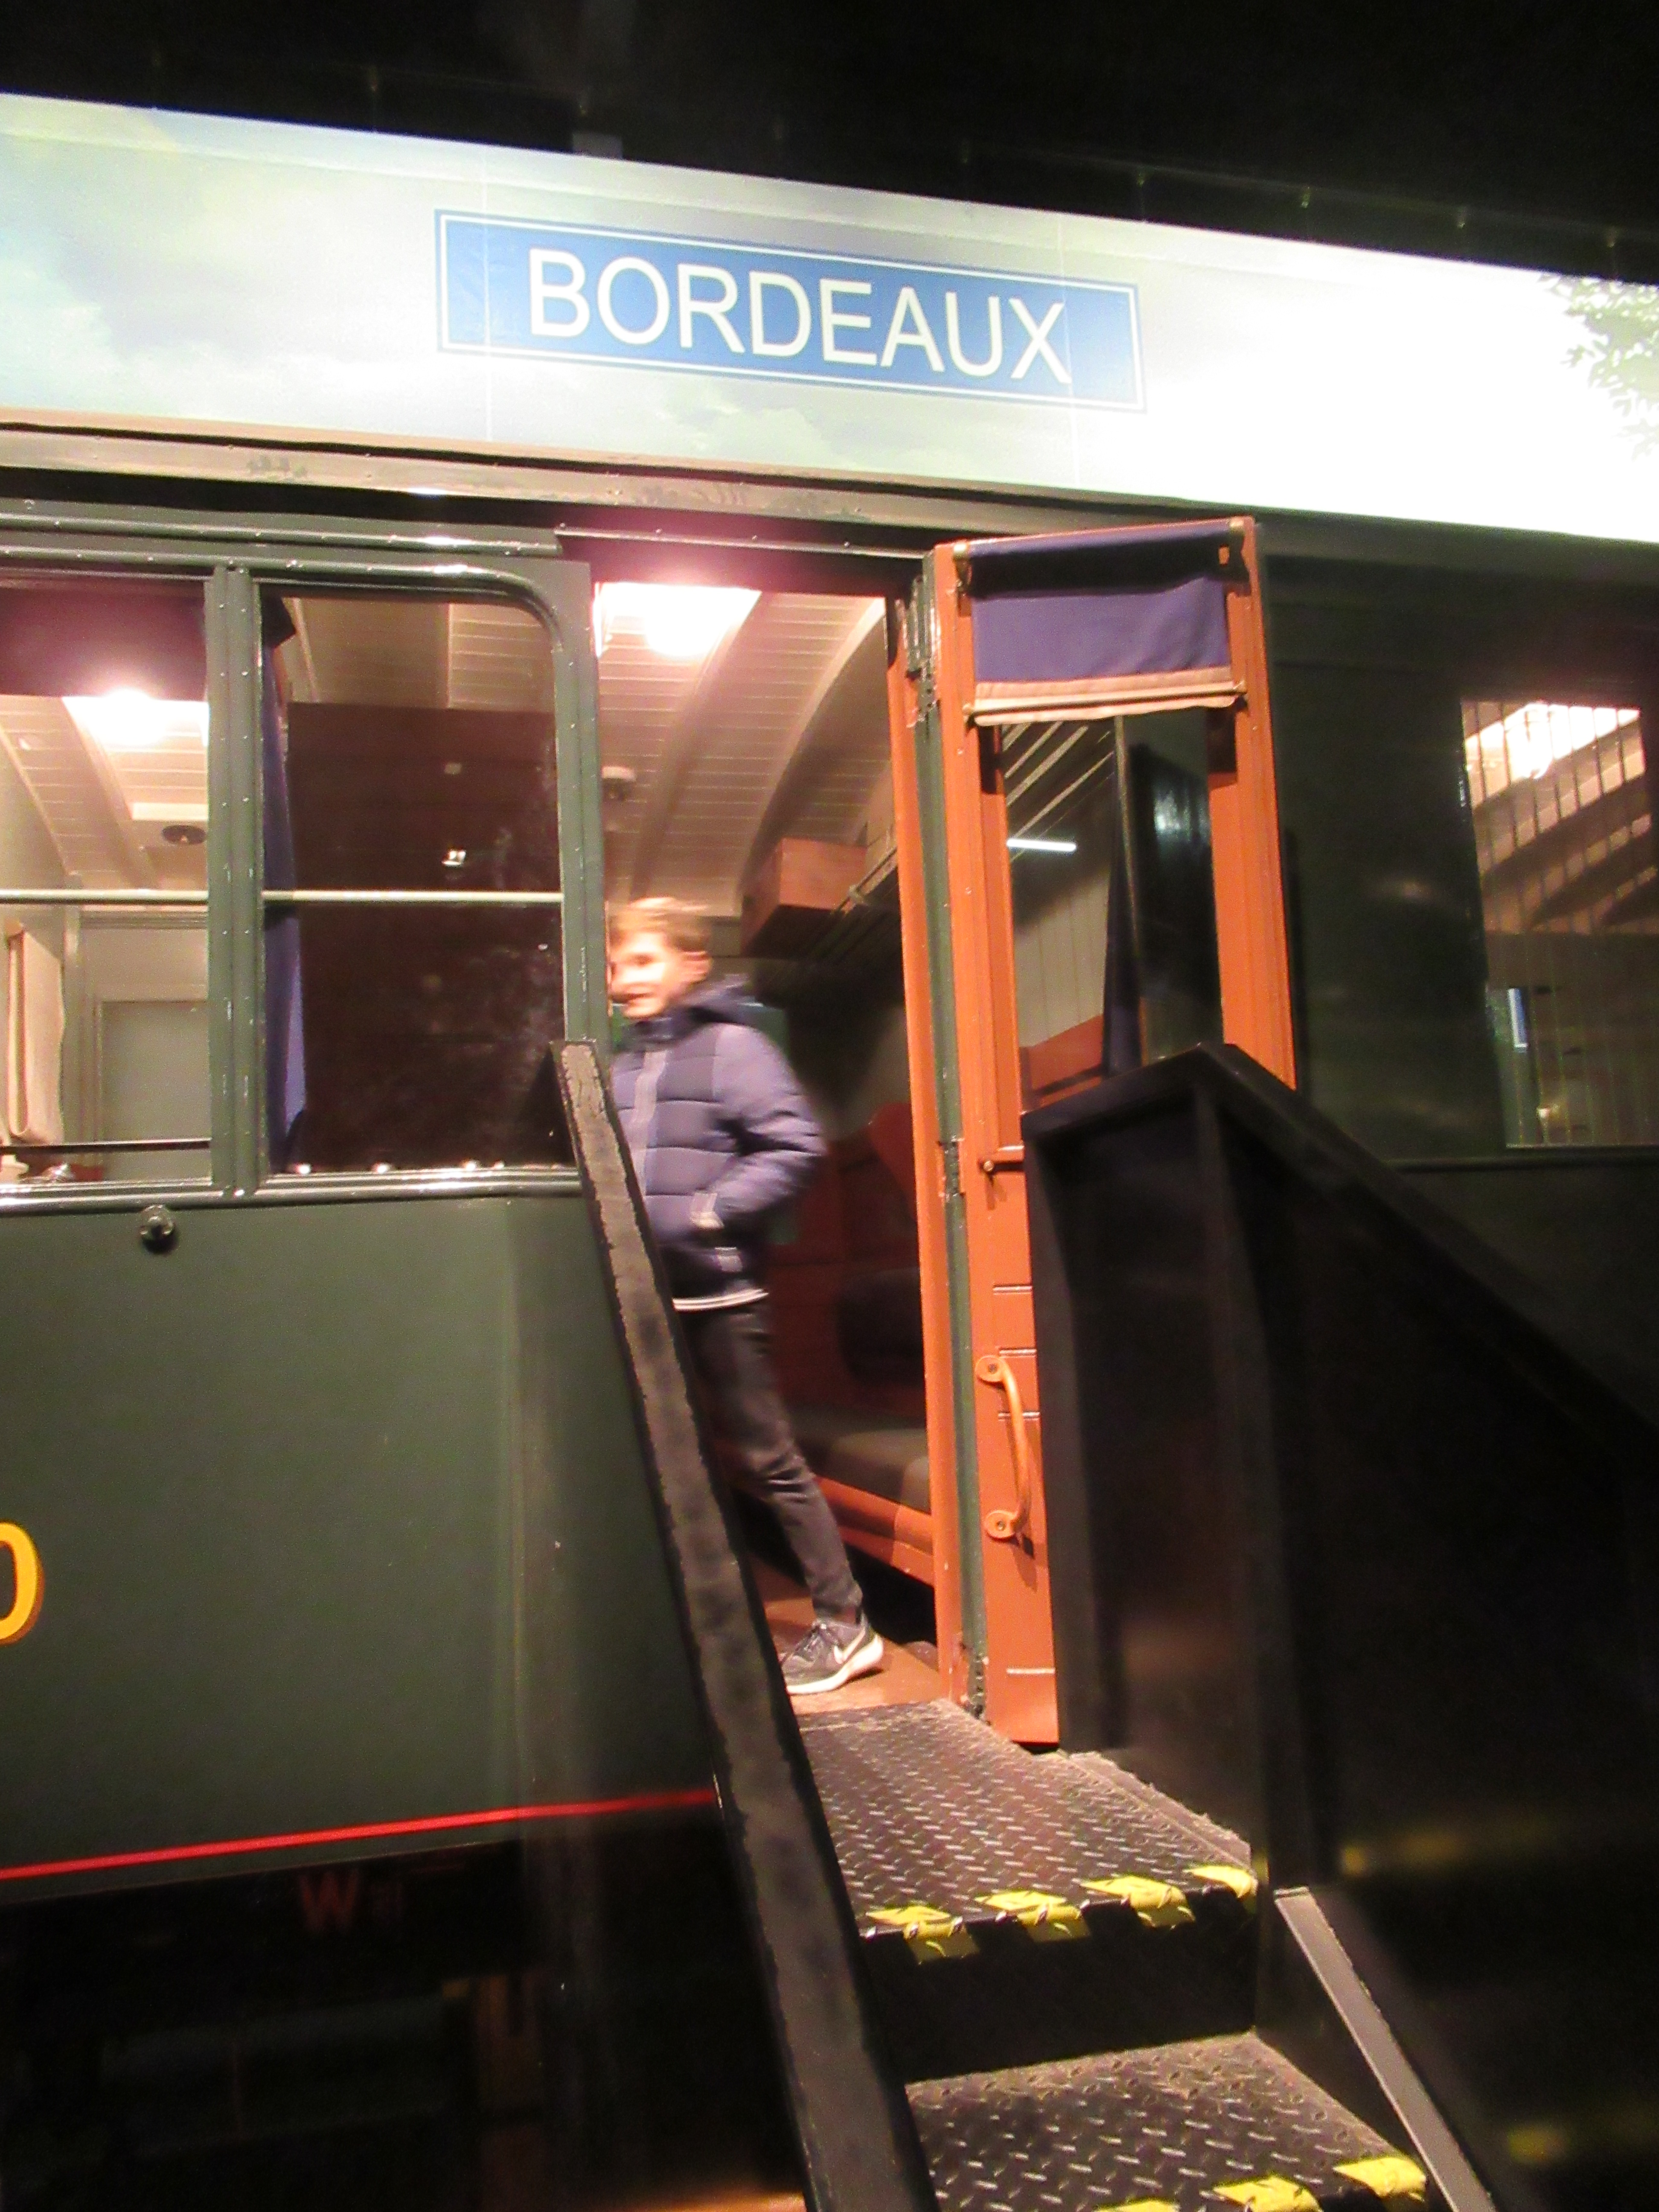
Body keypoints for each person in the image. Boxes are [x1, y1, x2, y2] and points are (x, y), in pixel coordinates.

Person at [607, 896, 884, 1697]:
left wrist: (707, 1212)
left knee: (768, 1460)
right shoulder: (624, 1067)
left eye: (644, 961)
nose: (626, 980)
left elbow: (794, 1149)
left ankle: (847, 1625)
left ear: (692, 964)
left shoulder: (734, 1049)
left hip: (722, 1295)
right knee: (663, 1459)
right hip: (648, 1296)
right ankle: (697, 1618)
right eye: (618, 966)